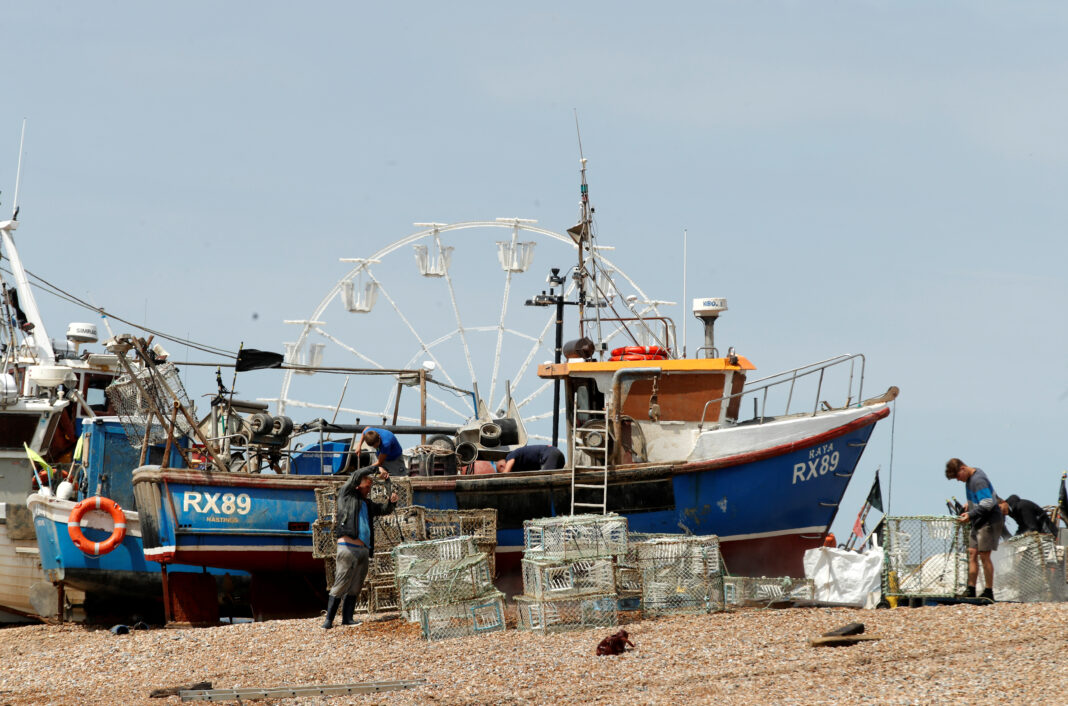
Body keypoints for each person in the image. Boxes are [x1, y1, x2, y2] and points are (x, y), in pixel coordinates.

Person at [321, 466, 398, 629]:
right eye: (367, 486)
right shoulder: (346, 495)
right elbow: (356, 474)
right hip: (347, 547)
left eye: (370, 486)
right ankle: (328, 620)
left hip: (364, 549)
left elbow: (385, 509)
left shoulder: (367, 503)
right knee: (341, 582)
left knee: (356, 585)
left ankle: (348, 618)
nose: (369, 489)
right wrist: (376, 467)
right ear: (357, 485)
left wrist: (391, 494)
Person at [945, 458, 1004, 601]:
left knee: (984, 555)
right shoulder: (973, 475)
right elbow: (986, 496)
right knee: (972, 553)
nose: (959, 480)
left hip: (989, 521)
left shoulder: (978, 480)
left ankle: (988, 592)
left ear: (963, 469)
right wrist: (969, 504)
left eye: (958, 477)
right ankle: (971, 589)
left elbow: (988, 503)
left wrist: (970, 515)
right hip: (978, 521)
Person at [495, 444, 565, 473]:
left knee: (547, 479)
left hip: (550, 454)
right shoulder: (521, 464)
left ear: (502, 466)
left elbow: (507, 470)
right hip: (557, 455)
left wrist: (502, 476)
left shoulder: (509, 457)